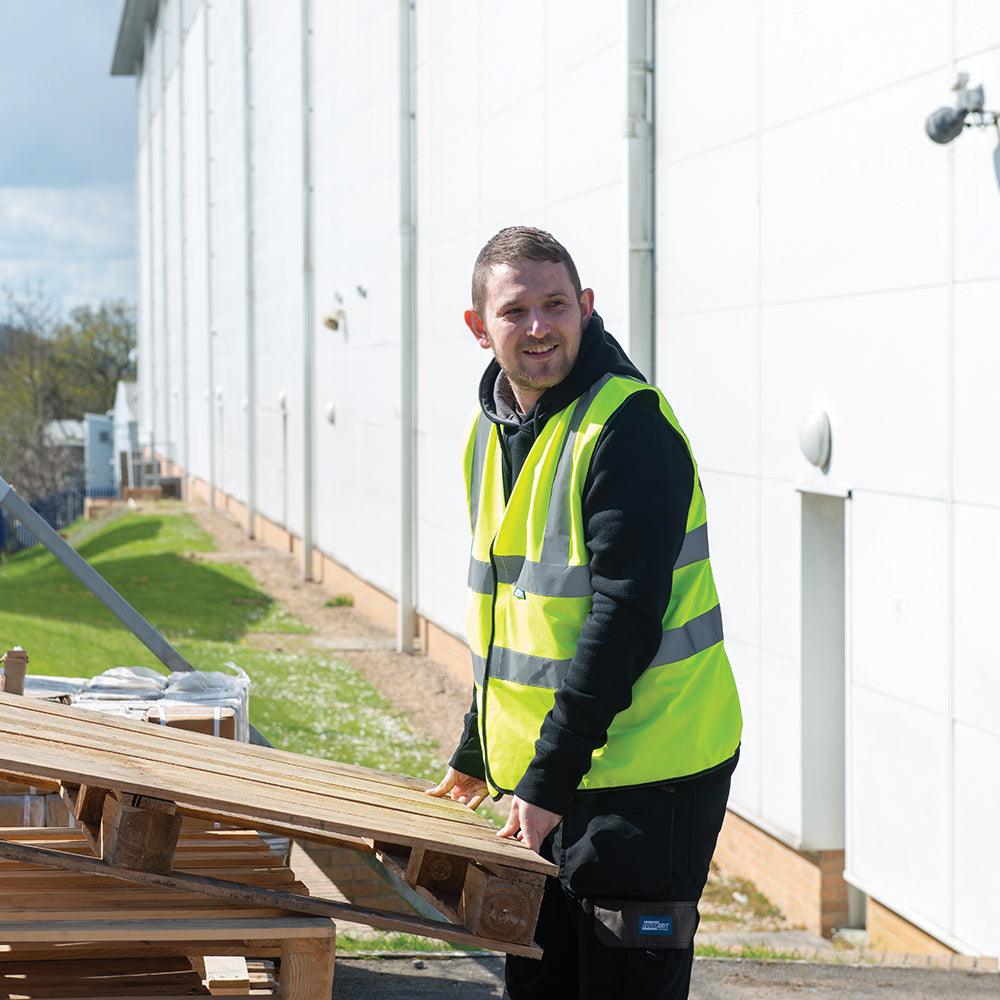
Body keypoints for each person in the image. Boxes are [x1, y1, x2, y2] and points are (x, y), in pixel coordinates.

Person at [427, 226, 742, 1000]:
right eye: (516, 310)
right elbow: (513, 613)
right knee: (540, 982)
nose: (539, 327)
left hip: (650, 780)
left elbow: (624, 619)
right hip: (562, 779)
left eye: (556, 304)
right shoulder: (496, 430)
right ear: (479, 328)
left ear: (587, 307)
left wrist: (545, 783)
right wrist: (479, 746)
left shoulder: (628, 429)